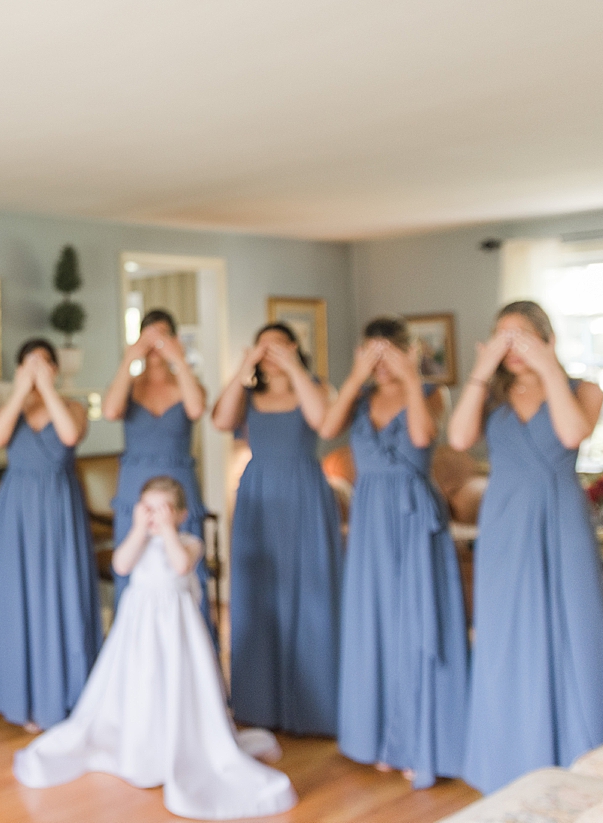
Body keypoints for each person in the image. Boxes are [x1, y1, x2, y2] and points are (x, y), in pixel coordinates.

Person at [13, 477, 297, 821]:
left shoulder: (189, 541)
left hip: (177, 632)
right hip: (137, 631)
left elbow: (180, 565)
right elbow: (120, 565)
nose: (154, 518)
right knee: (140, 683)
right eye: (148, 509)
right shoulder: (139, 541)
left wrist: (168, 532)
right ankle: (141, 745)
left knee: (175, 683)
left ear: (180, 514)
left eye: (162, 510)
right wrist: (138, 528)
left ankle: (180, 744)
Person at [447, 301, 603, 794]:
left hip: (561, 515)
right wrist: (482, 370)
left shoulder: (584, 390)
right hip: (504, 520)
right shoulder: (492, 395)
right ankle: (507, 754)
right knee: (504, 632)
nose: (511, 347)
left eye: (521, 335)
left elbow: (570, 432)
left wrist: (546, 366)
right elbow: (459, 438)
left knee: (574, 624)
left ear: (545, 338)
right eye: (501, 337)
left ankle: (583, 752)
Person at [317, 316, 468, 788]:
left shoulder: (431, 394)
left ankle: (421, 740)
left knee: (416, 622)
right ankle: (379, 736)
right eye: (372, 353)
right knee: (376, 623)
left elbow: (422, 439)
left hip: (412, 517)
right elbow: (325, 426)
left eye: (388, 353)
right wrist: (358, 377)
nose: (380, 363)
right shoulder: (359, 397)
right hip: (369, 522)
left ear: (406, 351)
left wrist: (407, 376)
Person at [213, 321, 340, 736]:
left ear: (294, 348)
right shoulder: (249, 396)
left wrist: (295, 370)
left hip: (304, 490)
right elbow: (220, 420)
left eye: (277, 347)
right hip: (258, 495)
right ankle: (257, 702)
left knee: (310, 591)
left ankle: (315, 707)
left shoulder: (318, 387)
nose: (269, 354)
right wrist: (241, 370)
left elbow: (323, 421)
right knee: (259, 593)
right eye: (261, 347)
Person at [0, 337, 102, 733]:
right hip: (16, 511)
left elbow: (68, 436)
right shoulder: (12, 409)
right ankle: (23, 697)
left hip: (58, 507)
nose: (36, 369)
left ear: (55, 368)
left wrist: (47, 387)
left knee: (60, 593)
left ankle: (66, 694)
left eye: (45, 362)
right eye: (29, 363)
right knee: (20, 598)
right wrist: (20, 391)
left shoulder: (72, 407)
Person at [101, 309, 209, 612]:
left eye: (163, 336)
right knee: (134, 562)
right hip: (135, 486)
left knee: (182, 565)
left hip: (178, 483)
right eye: (149, 337)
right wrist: (128, 359)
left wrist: (178, 359)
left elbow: (197, 409)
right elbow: (110, 411)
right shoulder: (131, 385)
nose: (155, 344)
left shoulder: (187, 382)